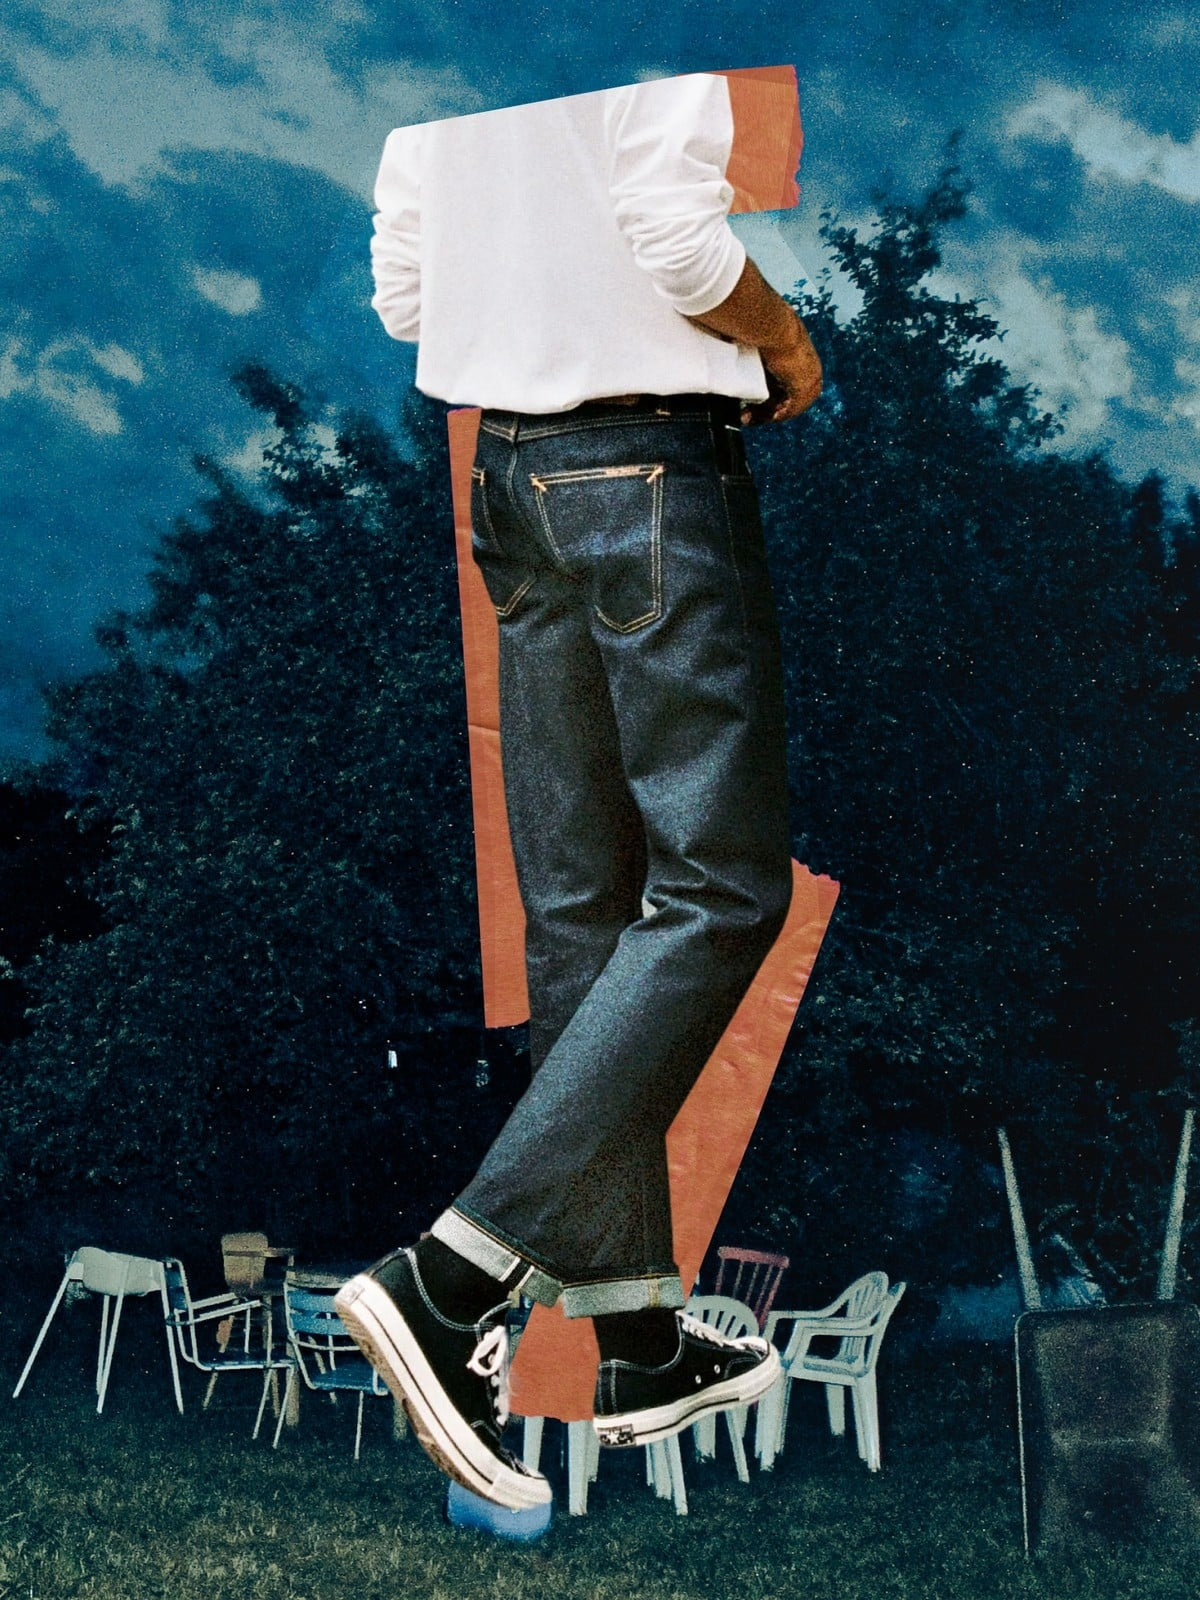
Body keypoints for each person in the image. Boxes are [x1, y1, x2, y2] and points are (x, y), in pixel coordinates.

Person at [336, 71, 823, 1512]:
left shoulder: (441, 77)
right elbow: (677, 242)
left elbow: (406, 300)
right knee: (724, 889)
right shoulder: (661, 53)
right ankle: (449, 1279)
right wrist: (786, 337)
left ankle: (636, 1344)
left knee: (581, 915)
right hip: (651, 468)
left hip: (509, 475)